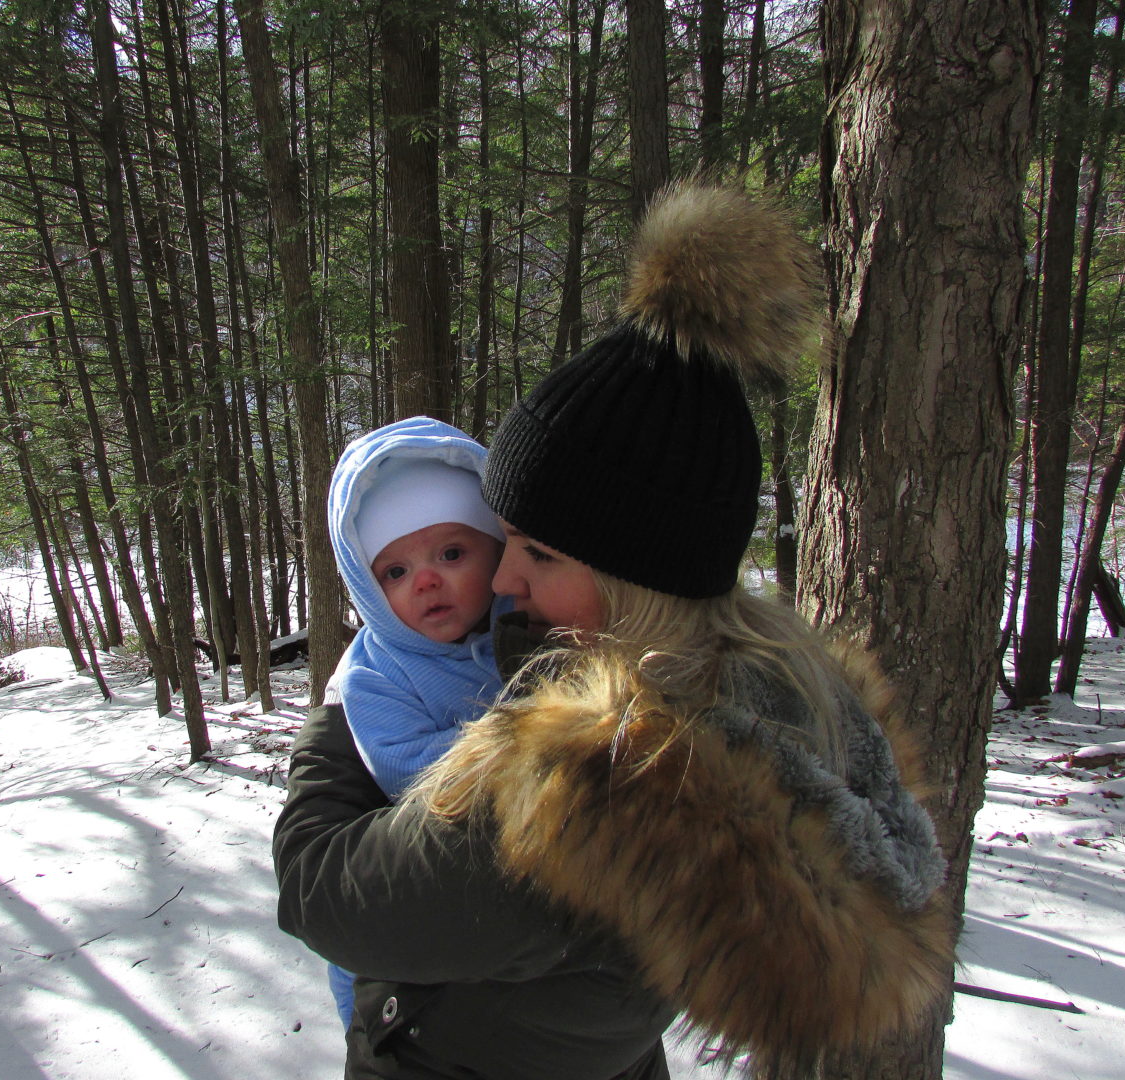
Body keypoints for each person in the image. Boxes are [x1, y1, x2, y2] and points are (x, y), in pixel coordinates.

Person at [274, 184, 953, 1079]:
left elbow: (321, 893)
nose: (503, 584)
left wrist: (331, 722)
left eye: (539, 553)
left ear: (639, 577)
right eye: (504, 541)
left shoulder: (601, 784)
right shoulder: (772, 695)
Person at [320, 415, 510, 1025]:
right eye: (394, 573)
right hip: (403, 909)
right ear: (368, 589)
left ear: (499, 548)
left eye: (451, 553)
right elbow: (405, 767)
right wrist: (523, 739)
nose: (426, 580)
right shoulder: (374, 672)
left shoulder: (530, 633)